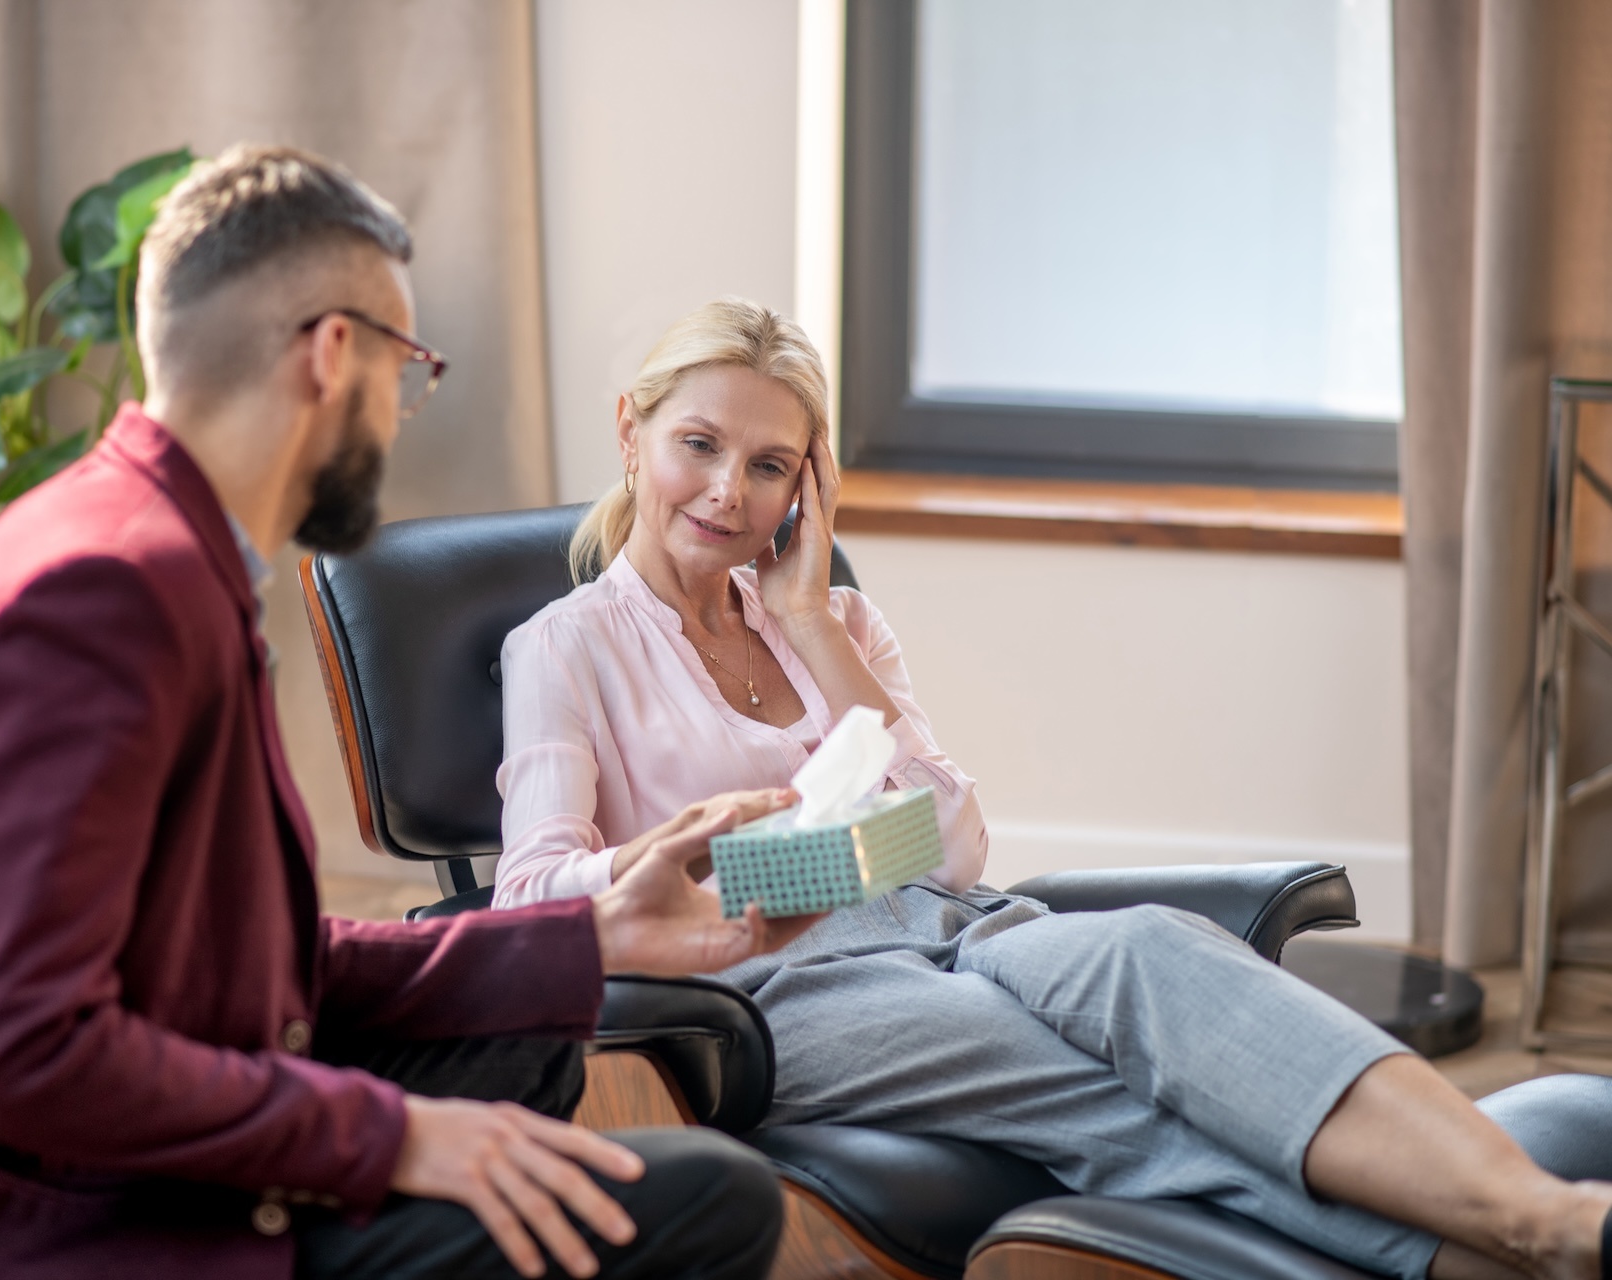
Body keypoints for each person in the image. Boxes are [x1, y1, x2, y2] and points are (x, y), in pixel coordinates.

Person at [0, 149, 818, 1280]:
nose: (400, 409)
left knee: (524, 1021)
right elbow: (17, 1053)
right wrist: (395, 1138)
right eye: (409, 368)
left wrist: (586, 935)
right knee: (708, 1202)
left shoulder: (158, 550)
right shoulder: (102, 593)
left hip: (88, 1146)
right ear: (335, 353)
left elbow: (252, 963)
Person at [491, 297, 1612, 1280]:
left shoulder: (835, 621)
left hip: (953, 920)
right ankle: (1531, 1223)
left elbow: (952, 846)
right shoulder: (566, 648)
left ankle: (1508, 1221)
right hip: (775, 984)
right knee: (1113, 1089)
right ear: (631, 432)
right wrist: (748, 859)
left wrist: (806, 619)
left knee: (1155, 952)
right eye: (700, 443)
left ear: (808, 482)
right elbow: (530, 897)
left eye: (772, 463)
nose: (731, 491)